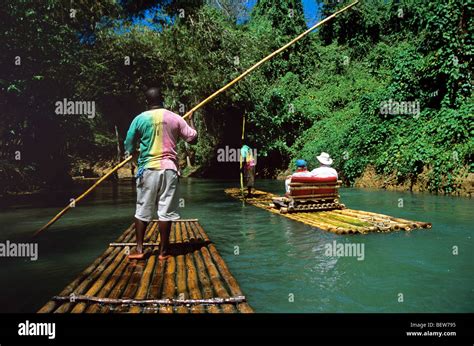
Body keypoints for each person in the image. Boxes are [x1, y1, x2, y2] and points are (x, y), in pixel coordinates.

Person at [124, 87, 197, 260]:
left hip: (147, 169)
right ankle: (163, 252)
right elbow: (193, 139)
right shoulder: (175, 118)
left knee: (142, 209)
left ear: (147, 102)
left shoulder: (139, 119)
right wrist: (191, 120)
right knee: (165, 211)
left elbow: (128, 143)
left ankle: (140, 250)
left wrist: (132, 153)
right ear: (162, 100)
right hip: (169, 169)